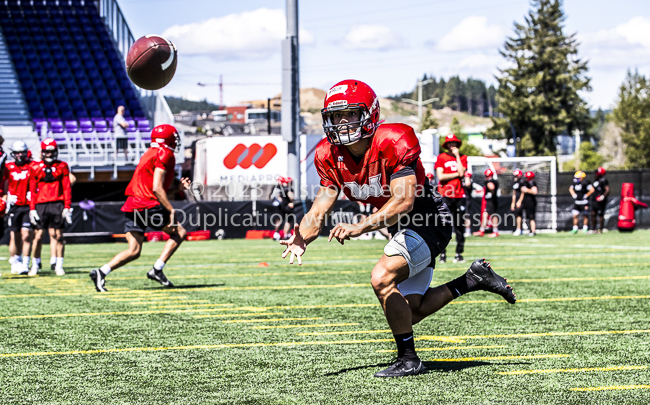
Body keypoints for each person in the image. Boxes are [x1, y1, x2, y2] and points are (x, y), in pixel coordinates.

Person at [280, 80, 516, 378]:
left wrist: (360, 227)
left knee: (381, 277)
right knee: (409, 311)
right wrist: (302, 237)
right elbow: (319, 208)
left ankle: (408, 358)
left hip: (427, 219)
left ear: (369, 115)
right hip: (401, 228)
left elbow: (404, 201)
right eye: (335, 117)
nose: (341, 123)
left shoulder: (393, 140)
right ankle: (471, 280)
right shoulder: (329, 155)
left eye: (349, 114)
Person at [90, 125, 190, 292]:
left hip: (132, 205)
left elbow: (152, 188)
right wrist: (171, 210)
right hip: (149, 206)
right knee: (179, 232)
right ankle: (157, 269)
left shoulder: (148, 153)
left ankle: (101, 272)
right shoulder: (165, 153)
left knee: (134, 250)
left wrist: (176, 190)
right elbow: (157, 189)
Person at [29, 139, 73, 276]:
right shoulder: (35, 167)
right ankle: (35, 264)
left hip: (57, 203)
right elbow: (32, 189)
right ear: (42, 152)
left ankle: (59, 265)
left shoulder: (62, 166)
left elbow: (66, 187)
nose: (49, 154)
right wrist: (32, 208)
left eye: (51, 151)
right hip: (41, 204)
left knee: (58, 235)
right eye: (46, 151)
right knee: (38, 236)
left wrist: (67, 206)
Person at [434, 133, 468, 263]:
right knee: (444, 225)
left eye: (454, 142)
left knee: (460, 227)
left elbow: (462, 171)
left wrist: (457, 156)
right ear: (446, 145)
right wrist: (456, 175)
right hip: (446, 195)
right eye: (450, 143)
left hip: (459, 196)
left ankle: (459, 254)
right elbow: (441, 177)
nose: (452, 145)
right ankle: (442, 254)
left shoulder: (463, 157)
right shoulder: (441, 157)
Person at [3, 141, 35, 275]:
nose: (19, 155)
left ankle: (25, 264)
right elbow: (3, 182)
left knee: (26, 235)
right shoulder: (8, 167)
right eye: (17, 153)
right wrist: (6, 196)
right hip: (14, 205)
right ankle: (15, 260)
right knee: (14, 235)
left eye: (21, 152)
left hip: (28, 205)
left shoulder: (32, 166)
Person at [473, 168, 499, 238]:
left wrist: (491, 190)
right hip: (490, 201)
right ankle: (482, 230)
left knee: (493, 215)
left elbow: (492, 187)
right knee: (485, 215)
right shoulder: (491, 181)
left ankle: (495, 231)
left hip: (492, 201)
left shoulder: (491, 181)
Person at [590, 167, 609, 233]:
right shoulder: (595, 181)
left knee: (600, 214)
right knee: (593, 213)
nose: (595, 175)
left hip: (601, 201)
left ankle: (600, 228)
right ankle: (593, 228)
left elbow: (607, 190)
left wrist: (602, 196)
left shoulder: (603, 180)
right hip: (594, 200)